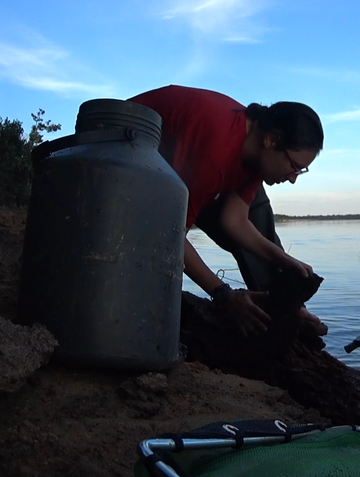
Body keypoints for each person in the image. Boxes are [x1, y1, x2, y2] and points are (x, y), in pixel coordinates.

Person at [129, 85, 323, 335]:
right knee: (156, 241)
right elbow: (169, 235)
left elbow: (235, 221)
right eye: (295, 167)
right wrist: (222, 294)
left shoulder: (254, 152)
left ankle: (282, 312)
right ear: (271, 139)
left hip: (167, 164)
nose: (293, 178)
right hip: (120, 144)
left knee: (258, 212)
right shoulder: (216, 152)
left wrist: (284, 261)